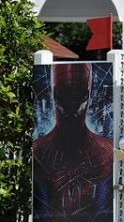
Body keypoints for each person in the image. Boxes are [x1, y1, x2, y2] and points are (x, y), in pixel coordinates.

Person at [32, 63, 113, 221]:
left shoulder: (106, 153)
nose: (71, 106)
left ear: (87, 97)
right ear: (54, 96)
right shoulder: (39, 150)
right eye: (64, 95)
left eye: (78, 96)